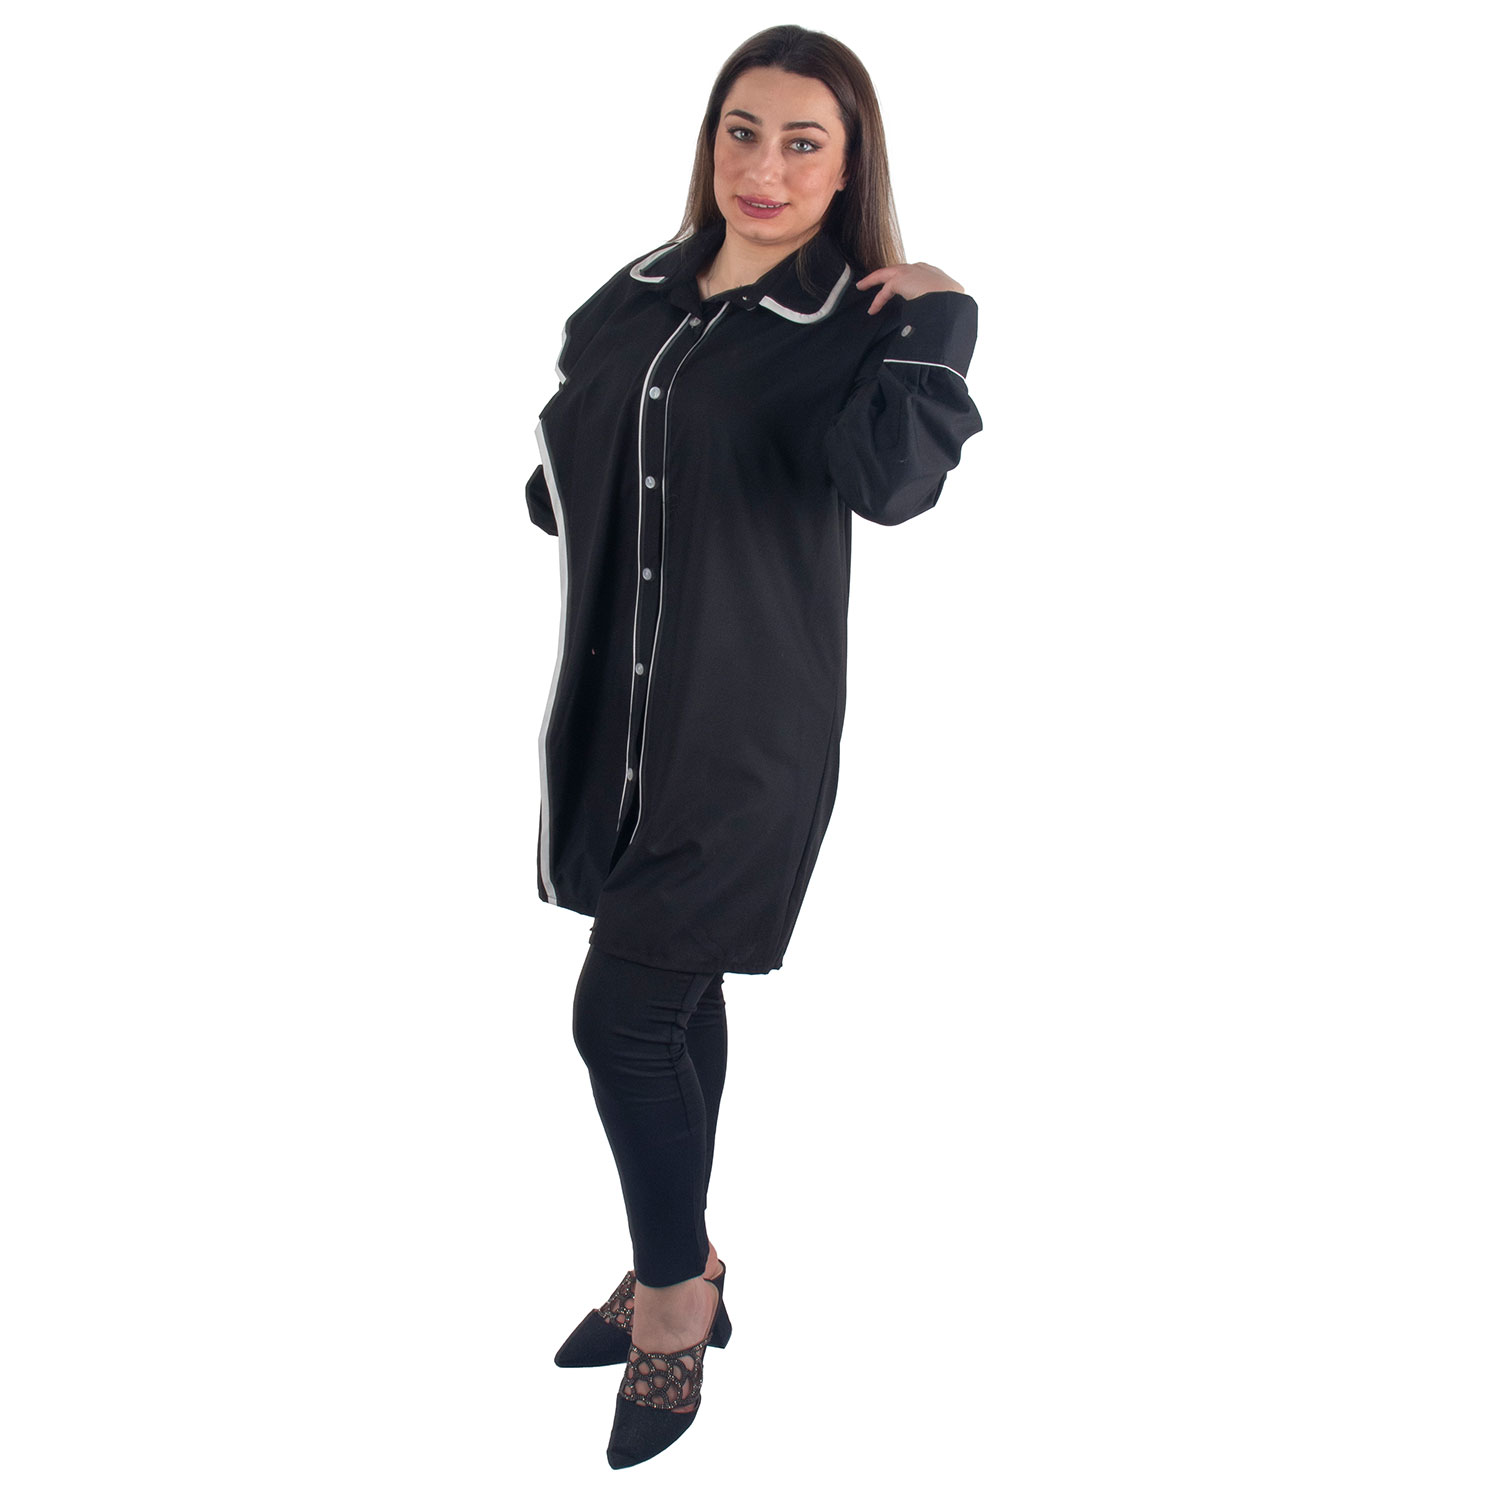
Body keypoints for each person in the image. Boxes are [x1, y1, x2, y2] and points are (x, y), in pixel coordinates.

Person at [523, 24, 983, 1467]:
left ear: (850, 167)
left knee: (618, 1019)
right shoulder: (640, 293)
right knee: (673, 1001)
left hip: (743, 735)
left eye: (802, 142)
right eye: (742, 130)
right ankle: (689, 1256)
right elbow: (554, 479)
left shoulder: (864, 319)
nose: (764, 168)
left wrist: (944, 321)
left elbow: (889, 486)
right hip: (615, 715)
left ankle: (673, 1305)